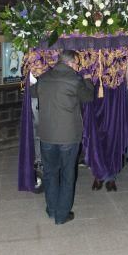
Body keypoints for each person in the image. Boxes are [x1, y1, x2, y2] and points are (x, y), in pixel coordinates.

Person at [30, 50, 94, 225]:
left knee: (50, 173)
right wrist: (88, 79)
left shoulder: (43, 78)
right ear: (71, 63)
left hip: (47, 135)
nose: (78, 66)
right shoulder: (75, 80)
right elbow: (88, 97)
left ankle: (51, 210)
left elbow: (32, 92)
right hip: (68, 136)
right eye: (77, 63)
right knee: (67, 174)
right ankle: (62, 214)